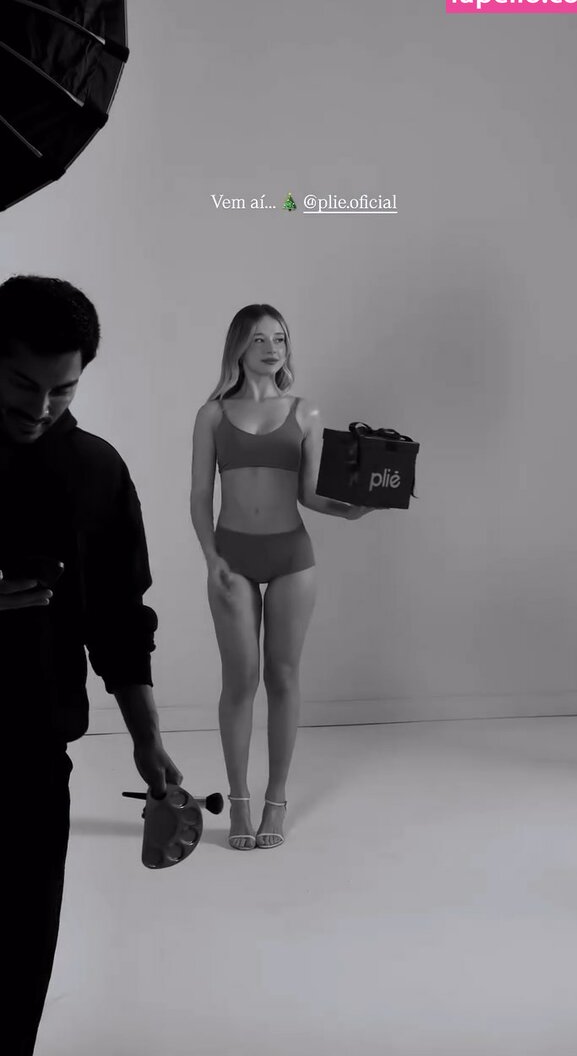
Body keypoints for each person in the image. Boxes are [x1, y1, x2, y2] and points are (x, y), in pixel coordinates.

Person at [0, 275, 183, 1056]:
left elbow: (119, 620)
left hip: (34, 760)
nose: (40, 408)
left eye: (63, 390)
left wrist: (148, 740)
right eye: (22, 384)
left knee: (16, 967)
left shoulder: (97, 473)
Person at [190, 305, 375, 851]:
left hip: (292, 556)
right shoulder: (212, 415)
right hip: (232, 556)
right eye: (260, 339)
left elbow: (311, 494)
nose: (273, 349)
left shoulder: (304, 410)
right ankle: (238, 802)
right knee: (240, 679)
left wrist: (350, 511)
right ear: (238, 347)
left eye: (281, 339)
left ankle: (276, 797)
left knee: (284, 675)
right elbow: (200, 496)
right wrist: (212, 559)